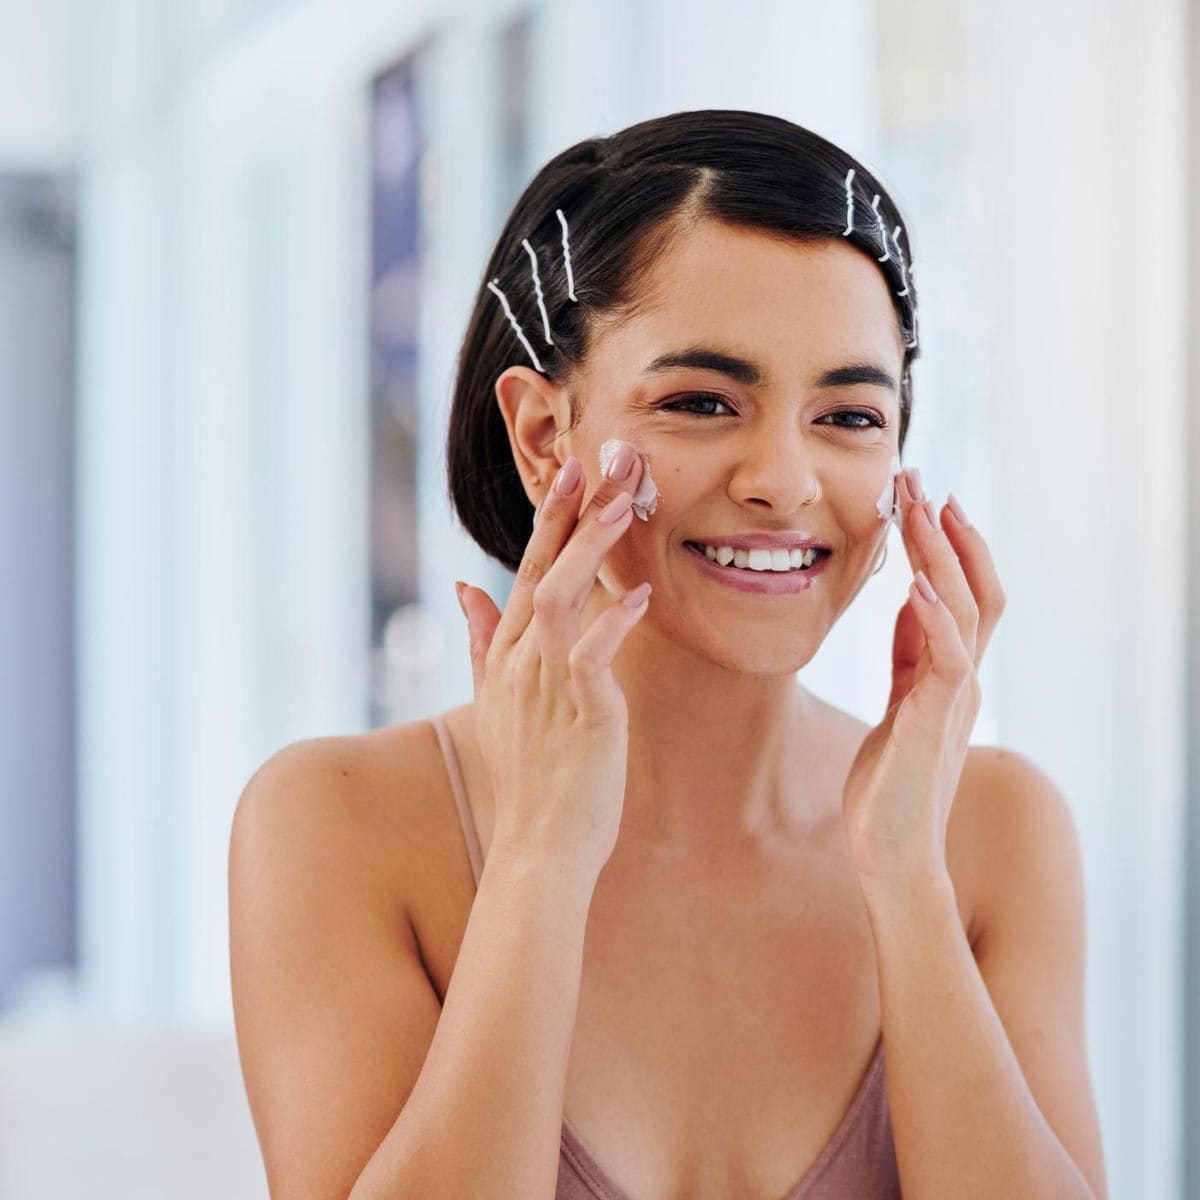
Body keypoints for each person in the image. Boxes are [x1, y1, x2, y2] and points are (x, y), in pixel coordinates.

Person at [229, 109, 1108, 1200]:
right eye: (701, 402)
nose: (785, 480)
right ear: (546, 435)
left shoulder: (995, 834)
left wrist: (908, 883)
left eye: (849, 415)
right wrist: (543, 858)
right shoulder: (339, 822)